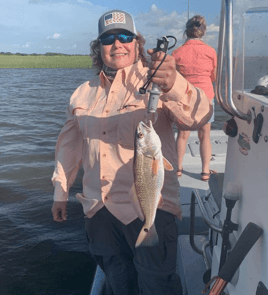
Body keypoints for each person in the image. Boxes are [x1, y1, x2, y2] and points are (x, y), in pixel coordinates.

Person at [51, 9, 212, 295]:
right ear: (98, 48)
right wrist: (60, 192)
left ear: (137, 43)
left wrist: (173, 83)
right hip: (99, 210)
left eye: (125, 36)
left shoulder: (158, 80)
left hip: (150, 206)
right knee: (117, 282)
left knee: (156, 284)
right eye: (108, 38)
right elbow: (69, 146)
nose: (117, 44)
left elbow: (199, 116)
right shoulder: (81, 93)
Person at [172, 15, 217, 181]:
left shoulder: (177, 53)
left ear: (186, 31)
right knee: (205, 135)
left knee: (182, 135)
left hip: (185, 98)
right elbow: (213, 76)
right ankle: (205, 172)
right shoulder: (211, 52)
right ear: (203, 31)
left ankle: (177, 169)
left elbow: (174, 79)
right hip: (206, 97)